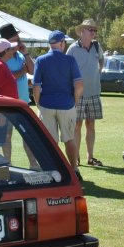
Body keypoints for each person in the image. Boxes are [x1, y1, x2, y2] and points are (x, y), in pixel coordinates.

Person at [32, 30, 84, 167]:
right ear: (61, 43)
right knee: (69, 139)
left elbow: (36, 87)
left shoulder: (40, 60)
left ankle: (52, 169)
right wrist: (75, 101)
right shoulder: (70, 60)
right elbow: (79, 85)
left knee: (50, 141)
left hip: (46, 105)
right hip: (67, 105)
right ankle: (74, 170)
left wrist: (38, 103)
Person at [67, 19, 106, 167]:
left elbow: (102, 59)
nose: (94, 33)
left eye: (95, 30)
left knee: (91, 125)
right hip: (78, 94)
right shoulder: (72, 49)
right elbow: (67, 68)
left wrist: (99, 69)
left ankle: (90, 157)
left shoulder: (97, 46)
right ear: (82, 31)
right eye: (91, 30)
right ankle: (76, 157)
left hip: (94, 92)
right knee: (77, 125)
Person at [0, 23, 35, 106]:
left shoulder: (20, 54)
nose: (18, 42)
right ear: (6, 42)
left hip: (24, 101)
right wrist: (24, 70)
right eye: (15, 40)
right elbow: (8, 78)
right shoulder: (3, 58)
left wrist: (26, 53)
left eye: (18, 39)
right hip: (10, 104)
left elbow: (32, 71)